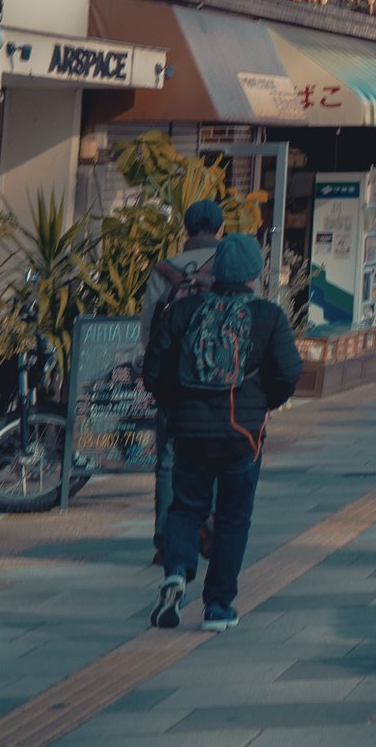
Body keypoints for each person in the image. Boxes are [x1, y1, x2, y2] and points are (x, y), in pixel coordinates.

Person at [144, 234, 300, 631]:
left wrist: (175, 406)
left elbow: (154, 368)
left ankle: (176, 573)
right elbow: (288, 373)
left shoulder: (185, 311)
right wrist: (266, 402)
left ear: (215, 270)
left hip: (190, 430)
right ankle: (217, 607)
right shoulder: (267, 316)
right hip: (242, 432)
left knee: (185, 506)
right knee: (233, 518)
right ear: (254, 273)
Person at [140, 199, 227, 551]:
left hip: (173, 383)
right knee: (219, 457)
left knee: (167, 463)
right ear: (221, 230)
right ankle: (209, 530)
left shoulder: (164, 270)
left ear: (186, 231)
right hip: (217, 382)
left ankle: (164, 539)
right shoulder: (230, 266)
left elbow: (148, 332)